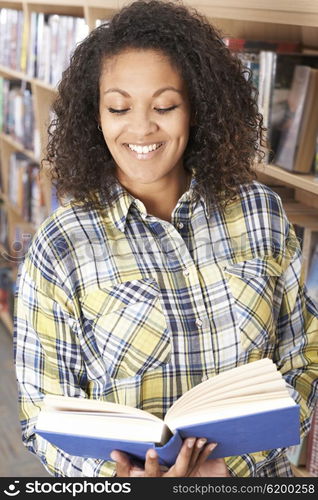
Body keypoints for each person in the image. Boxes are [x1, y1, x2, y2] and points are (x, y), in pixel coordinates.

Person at [14, 0, 318, 477]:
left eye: (164, 106)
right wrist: (124, 480)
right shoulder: (60, 246)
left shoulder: (261, 211)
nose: (141, 127)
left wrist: (227, 469)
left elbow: (303, 360)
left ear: (196, 108)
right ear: (95, 115)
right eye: (118, 107)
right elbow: (39, 415)